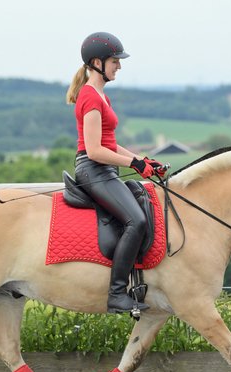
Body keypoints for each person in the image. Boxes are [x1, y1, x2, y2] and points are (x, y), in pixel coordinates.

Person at [66, 32, 167, 313]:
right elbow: (95, 150)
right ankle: (117, 294)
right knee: (136, 221)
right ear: (96, 62)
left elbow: (111, 144)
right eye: (114, 61)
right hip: (93, 170)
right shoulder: (89, 97)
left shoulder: (101, 95)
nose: (119, 66)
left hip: (104, 168)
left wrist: (143, 160)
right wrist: (135, 165)